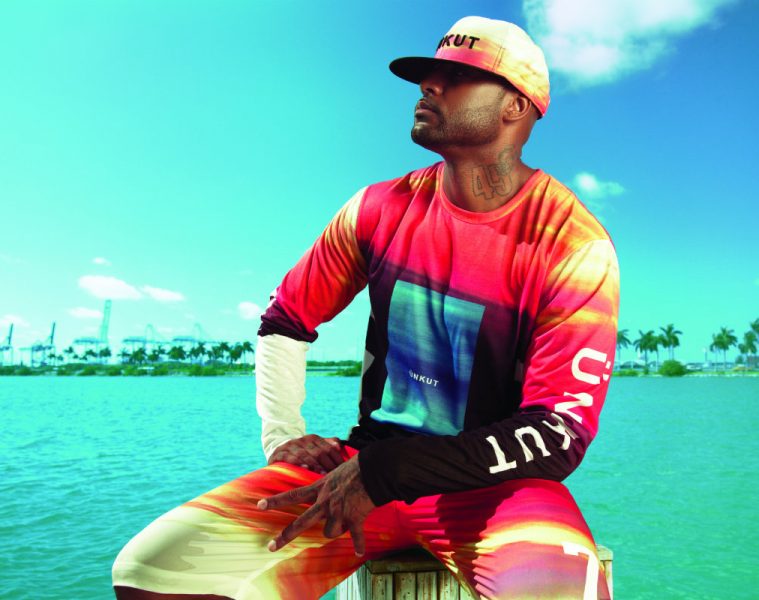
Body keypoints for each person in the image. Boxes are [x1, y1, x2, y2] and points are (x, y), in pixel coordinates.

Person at [113, 16, 619, 600]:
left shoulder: (574, 246)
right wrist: (283, 436)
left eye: (456, 78)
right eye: (427, 76)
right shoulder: (378, 209)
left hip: (494, 491)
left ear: (516, 106)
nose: (428, 86)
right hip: (357, 471)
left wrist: (387, 473)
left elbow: (558, 433)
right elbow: (285, 319)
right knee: (148, 576)